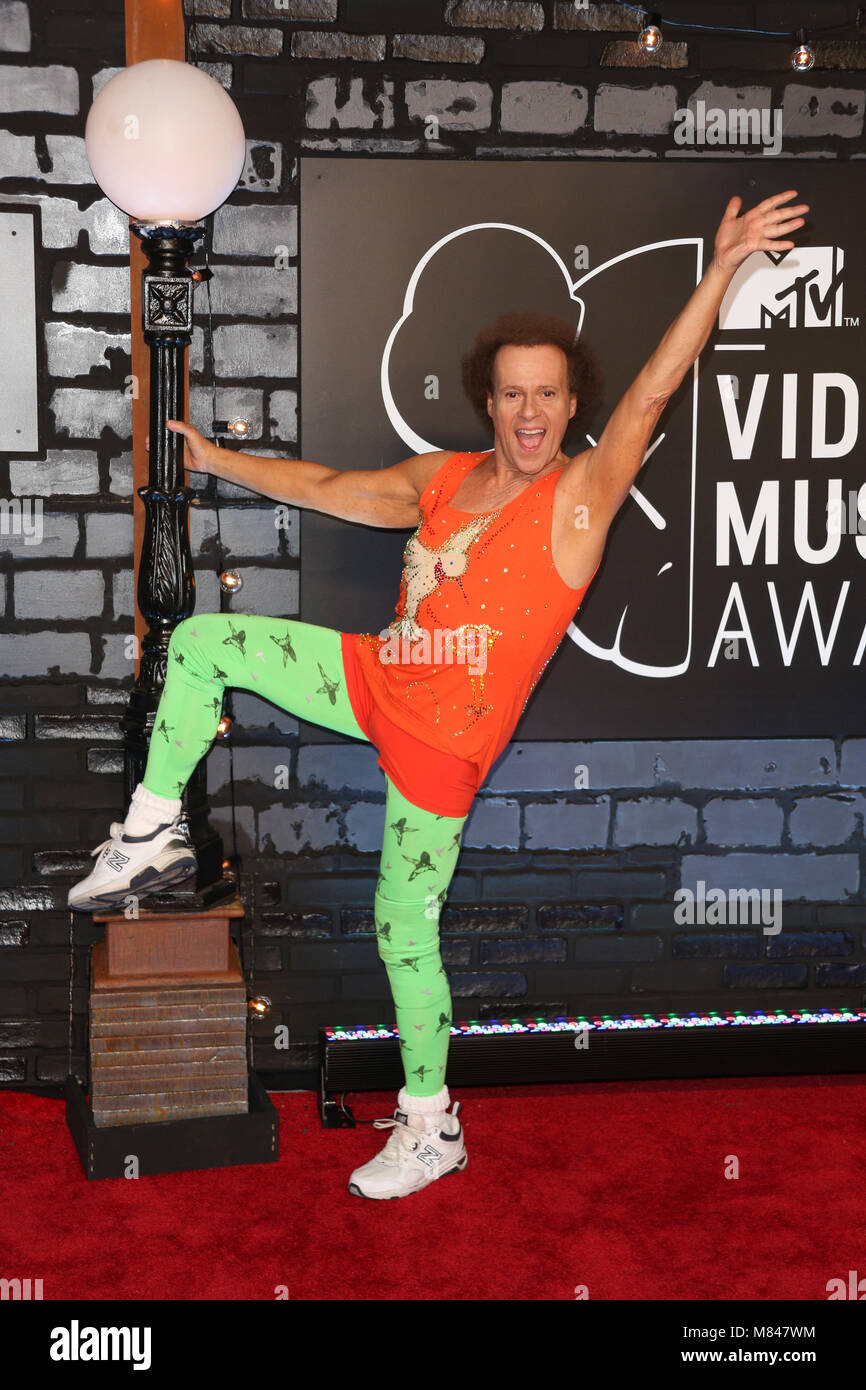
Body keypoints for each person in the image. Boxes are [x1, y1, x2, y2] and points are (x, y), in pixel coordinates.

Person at [68, 189, 808, 1199]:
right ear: (488, 401)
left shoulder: (579, 499)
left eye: (547, 394)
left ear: (569, 405)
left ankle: (429, 1126)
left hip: (442, 746)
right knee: (201, 641)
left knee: (400, 928)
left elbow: (652, 391)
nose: (530, 412)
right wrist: (218, 458)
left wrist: (718, 270)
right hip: (375, 679)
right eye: (512, 394)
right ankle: (154, 835)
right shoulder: (445, 475)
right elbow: (335, 487)